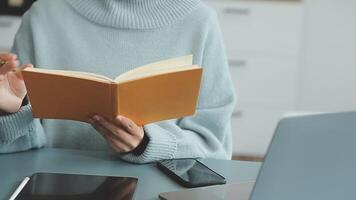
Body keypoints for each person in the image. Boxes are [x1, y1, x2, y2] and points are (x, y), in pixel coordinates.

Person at [0, 0, 236, 163]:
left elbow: (214, 148)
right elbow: (17, 150)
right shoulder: (44, 15)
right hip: (52, 188)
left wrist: (147, 144)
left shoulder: (200, 21)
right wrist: (12, 112)